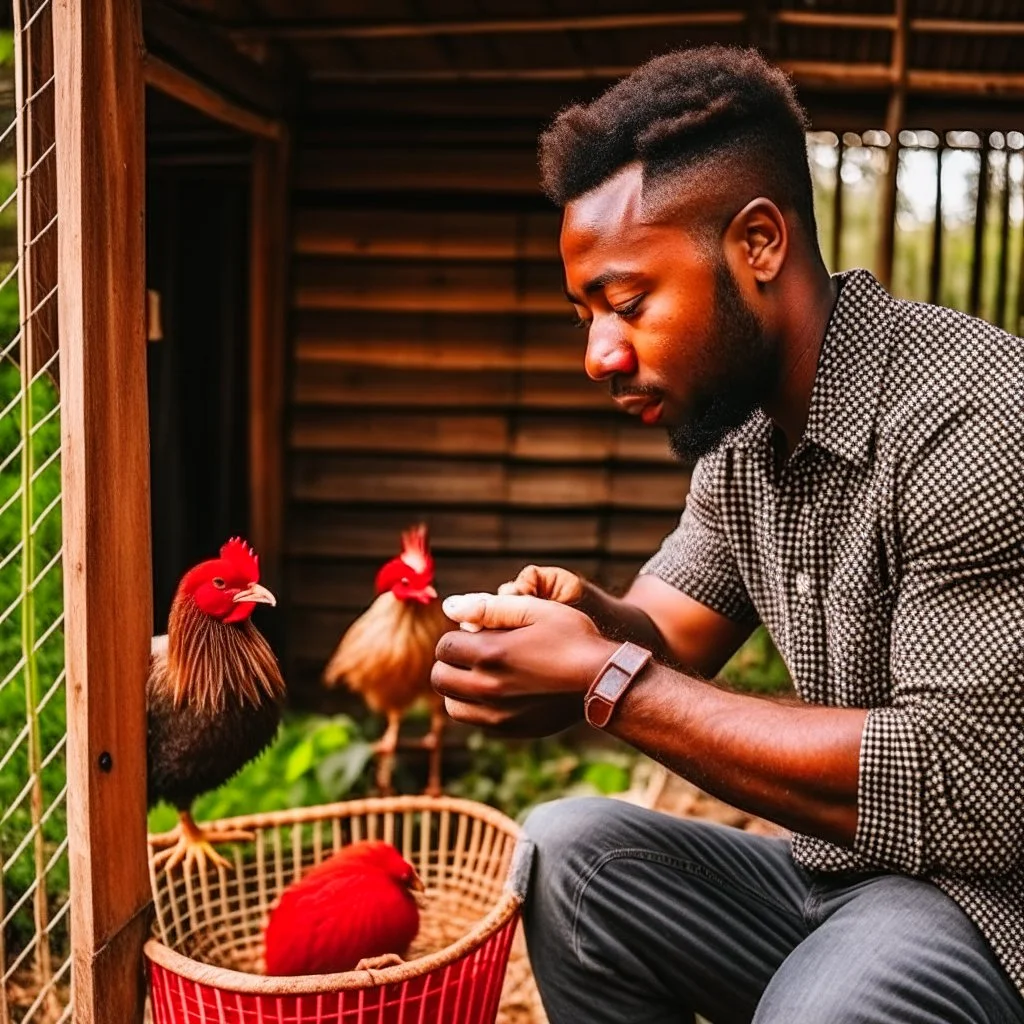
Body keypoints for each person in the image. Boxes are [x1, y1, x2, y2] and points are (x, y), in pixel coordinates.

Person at [430, 44, 1024, 1024]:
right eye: (583, 314)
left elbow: (962, 788)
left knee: (820, 1008)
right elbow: (662, 632)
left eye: (626, 303)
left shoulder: (973, 417)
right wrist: (581, 627)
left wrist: (606, 680)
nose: (597, 353)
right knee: (571, 858)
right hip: (842, 879)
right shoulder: (748, 442)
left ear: (757, 243)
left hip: (986, 906)